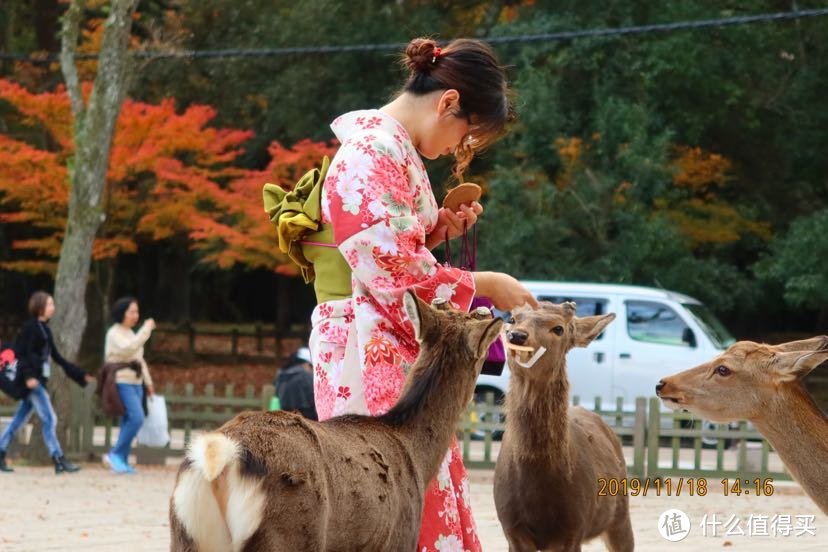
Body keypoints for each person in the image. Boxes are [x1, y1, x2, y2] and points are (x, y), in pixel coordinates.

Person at [302, 38, 538, 551]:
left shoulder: (390, 151)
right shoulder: (369, 154)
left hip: (384, 332)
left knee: (416, 487)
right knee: (390, 495)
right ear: (448, 102)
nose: (460, 151)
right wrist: (481, 285)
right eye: (466, 138)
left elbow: (392, 249)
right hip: (365, 346)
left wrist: (436, 233)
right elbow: (387, 265)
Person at [0, 291, 94, 474]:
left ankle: (1, 451)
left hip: (37, 381)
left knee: (19, 420)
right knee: (50, 419)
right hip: (32, 383)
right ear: (40, 307)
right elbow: (22, 354)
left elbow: (57, 357)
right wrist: (27, 377)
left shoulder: (45, 329)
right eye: (50, 304)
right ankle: (58, 459)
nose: (53, 308)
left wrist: (79, 375)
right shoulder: (29, 328)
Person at [101, 296, 156, 474]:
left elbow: (139, 359)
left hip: (136, 382)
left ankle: (121, 461)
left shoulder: (132, 332)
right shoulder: (114, 333)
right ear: (121, 313)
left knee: (127, 420)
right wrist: (146, 330)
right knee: (136, 417)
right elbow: (129, 349)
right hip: (121, 381)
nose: (135, 315)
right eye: (131, 311)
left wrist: (148, 382)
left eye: (136, 311)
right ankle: (115, 454)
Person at [274, 346, 317, 420]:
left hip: (285, 420)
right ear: (306, 364)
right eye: (312, 366)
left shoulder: (281, 375)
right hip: (308, 421)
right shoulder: (308, 377)